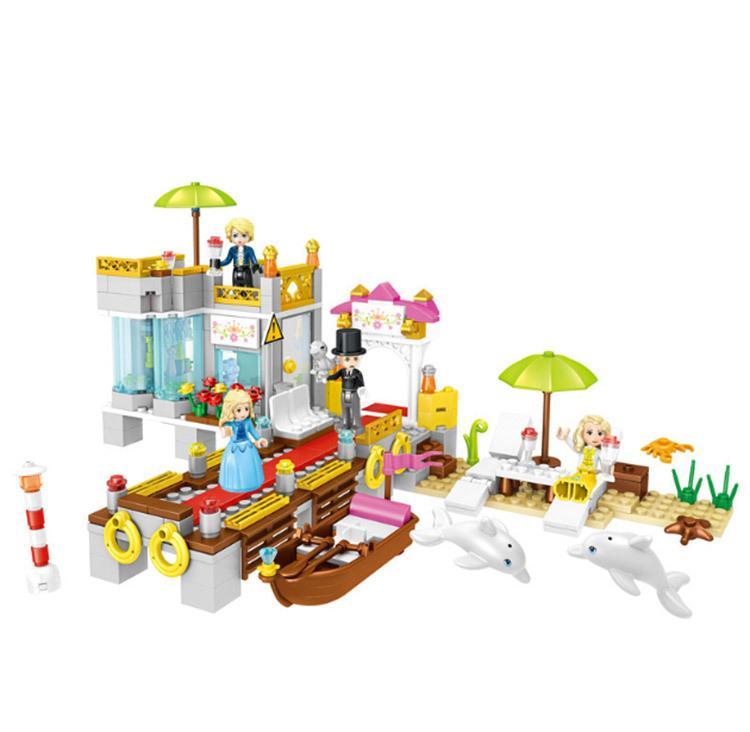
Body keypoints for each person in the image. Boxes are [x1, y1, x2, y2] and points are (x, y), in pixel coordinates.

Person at [218, 387, 268, 493]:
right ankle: (234, 485)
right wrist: (225, 430)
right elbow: (226, 432)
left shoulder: (247, 421)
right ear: (231, 410)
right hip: (234, 449)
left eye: (246, 409)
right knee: (236, 467)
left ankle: (252, 483)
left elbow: (253, 432)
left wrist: (259, 439)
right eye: (239, 410)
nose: (243, 413)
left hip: (248, 447)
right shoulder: (230, 423)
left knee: (250, 465)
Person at [327, 328, 366, 432]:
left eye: (355, 359)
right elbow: (335, 376)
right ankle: (345, 422)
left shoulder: (357, 373)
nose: (352, 362)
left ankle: (356, 424)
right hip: (344, 392)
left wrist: (362, 389)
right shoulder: (342, 372)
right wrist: (327, 378)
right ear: (340, 359)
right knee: (345, 409)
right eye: (347, 359)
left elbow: (361, 382)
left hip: (354, 393)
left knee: (355, 410)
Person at [220, 217, 262, 287]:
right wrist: (219, 263)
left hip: (246, 270)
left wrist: (256, 265)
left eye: (244, 235)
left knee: (248, 286)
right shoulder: (232, 250)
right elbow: (227, 260)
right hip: (236, 270)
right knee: (236, 286)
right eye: (235, 235)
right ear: (230, 236)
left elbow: (253, 259)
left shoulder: (249, 249)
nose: (239, 239)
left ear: (249, 236)